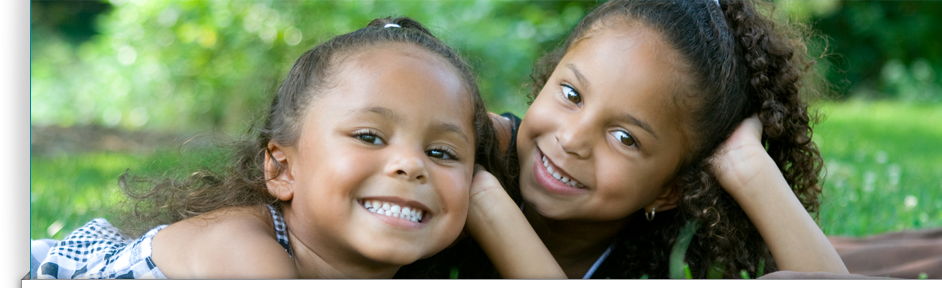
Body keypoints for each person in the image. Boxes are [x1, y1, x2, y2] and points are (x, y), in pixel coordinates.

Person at [28, 17, 555, 279]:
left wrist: (484, 195)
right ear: (282, 167)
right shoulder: (240, 249)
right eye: (369, 136)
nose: (410, 164)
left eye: (442, 153)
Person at [398, 0, 848, 279]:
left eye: (624, 137)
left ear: (670, 190)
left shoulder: (667, 262)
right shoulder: (468, 149)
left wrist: (746, 167)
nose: (571, 139)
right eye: (571, 94)